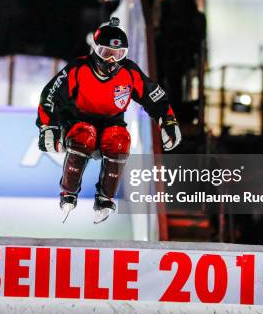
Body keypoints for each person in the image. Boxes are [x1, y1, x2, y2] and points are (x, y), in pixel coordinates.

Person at [36, 17, 182, 224]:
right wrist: (48, 127)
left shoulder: (130, 72)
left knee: (120, 141)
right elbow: (50, 95)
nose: (112, 61)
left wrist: (168, 122)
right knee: (84, 135)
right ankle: (68, 192)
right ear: (95, 50)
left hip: (112, 123)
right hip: (78, 120)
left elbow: (154, 97)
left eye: (118, 54)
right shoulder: (79, 69)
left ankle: (105, 199)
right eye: (106, 53)